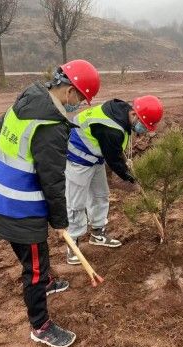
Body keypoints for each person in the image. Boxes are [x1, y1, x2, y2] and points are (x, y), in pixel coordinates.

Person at [0, 60, 100, 347]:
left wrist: (20, 167)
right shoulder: (52, 126)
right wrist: (60, 222)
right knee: (34, 266)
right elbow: (53, 181)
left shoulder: (30, 96)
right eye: (82, 100)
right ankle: (40, 326)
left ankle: (46, 284)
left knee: (32, 257)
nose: (81, 106)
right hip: (21, 208)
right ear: (70, 92)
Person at [65, 95, 164, 264]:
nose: (144, 130)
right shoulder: (111, 129)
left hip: (96, 155)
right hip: (77, 157)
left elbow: (116, 152)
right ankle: (72, 244)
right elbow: (115, 160)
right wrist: (131, 179)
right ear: (134, 115)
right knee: (76, 202)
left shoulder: (123, 112)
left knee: (100, 195)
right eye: (144, 125)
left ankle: (97, 233)